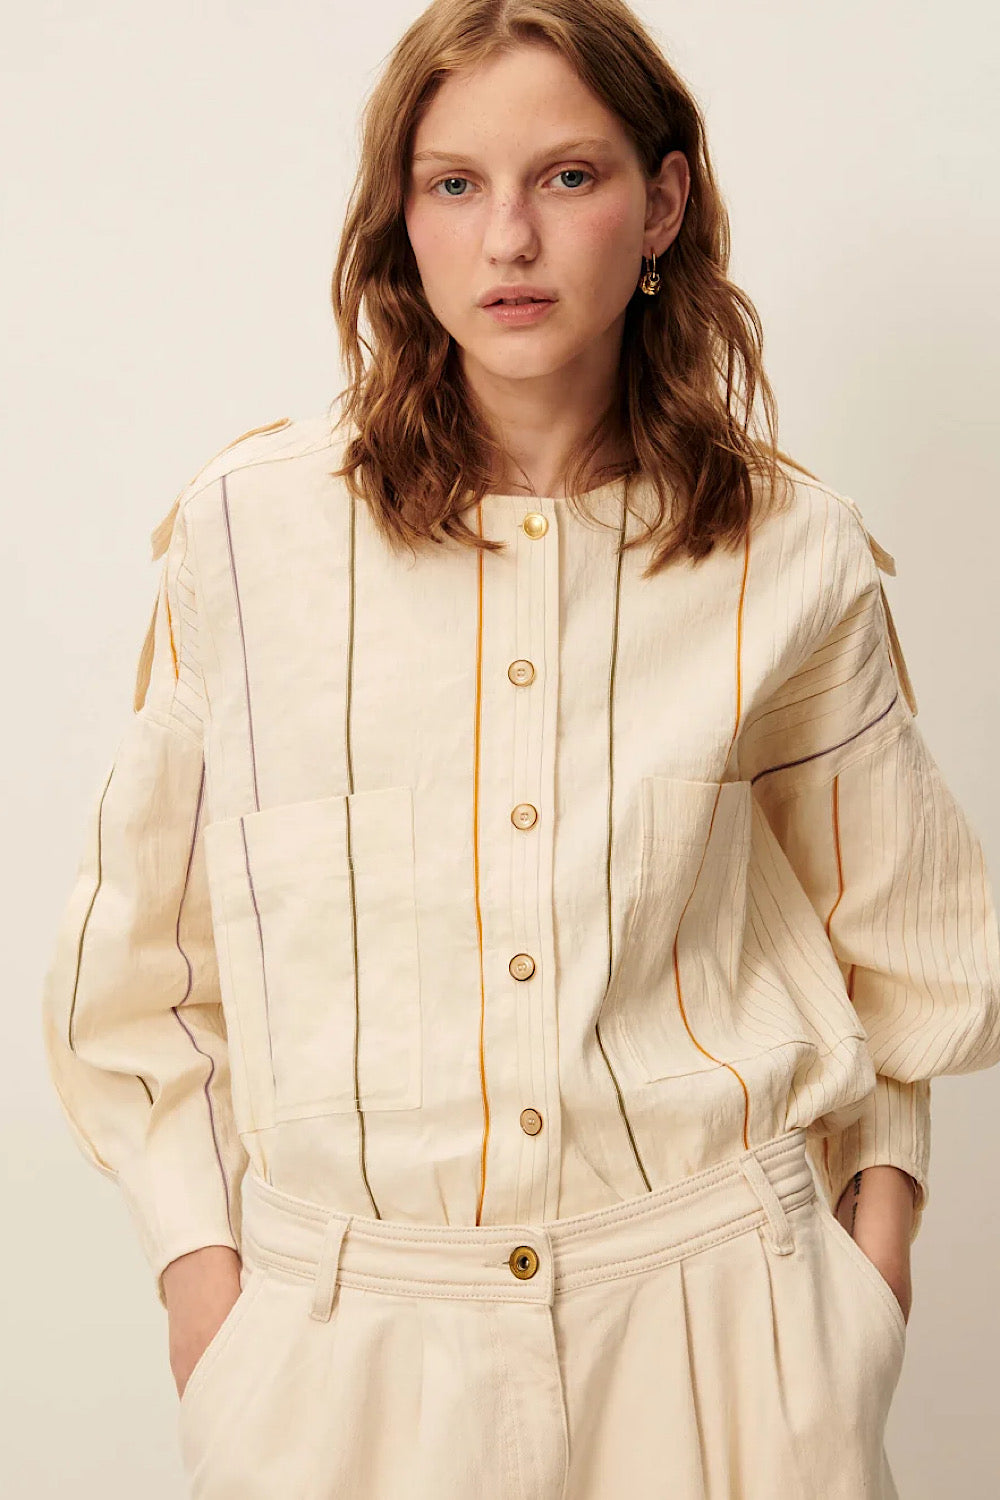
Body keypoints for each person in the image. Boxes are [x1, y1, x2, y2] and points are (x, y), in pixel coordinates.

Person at [40, 1, 1000, 1495]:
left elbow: (906, 958)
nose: (509, 238)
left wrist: (865, 1285)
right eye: (454, 183)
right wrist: (208, 1298)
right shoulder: (249, 537)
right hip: (345, 1365)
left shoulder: (792, 552)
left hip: (723, 1340)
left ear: (661, 203)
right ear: (400, 218)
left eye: (567, 176)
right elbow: (140, 984)